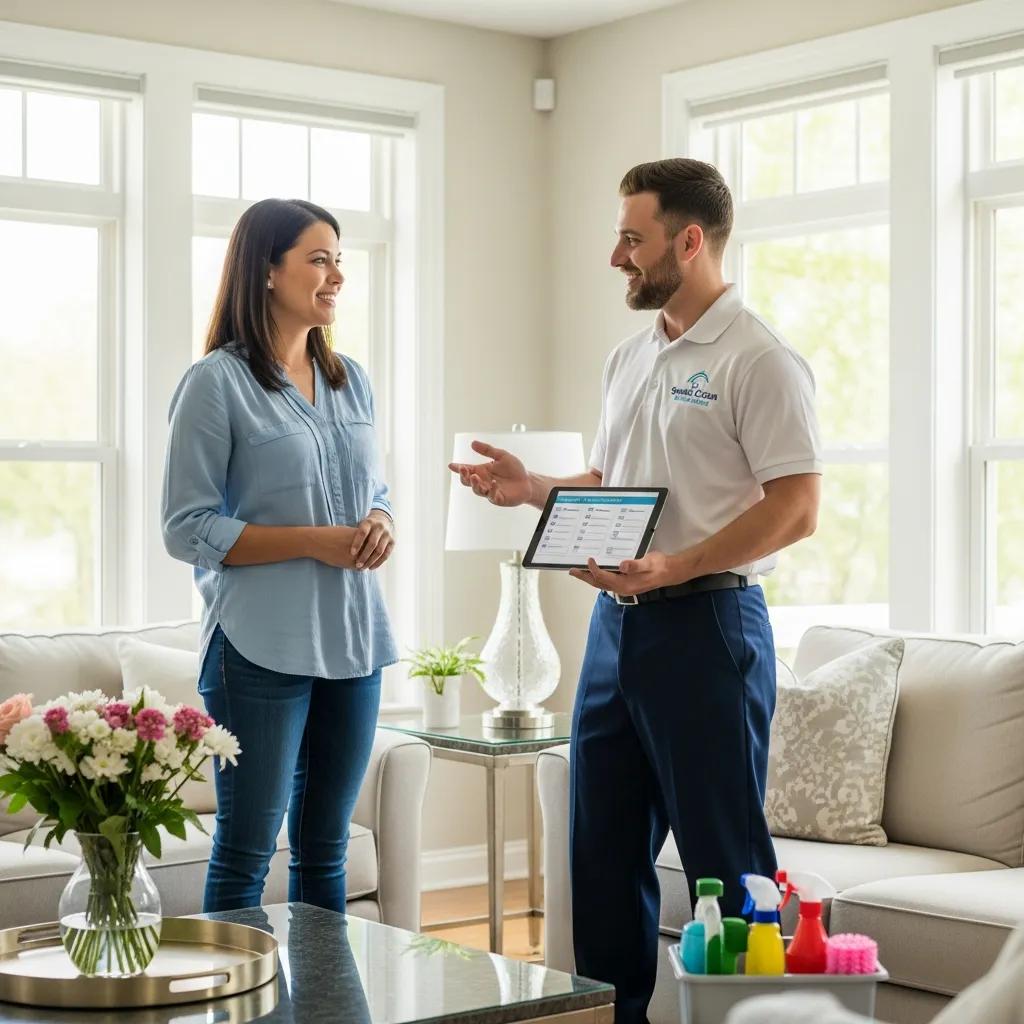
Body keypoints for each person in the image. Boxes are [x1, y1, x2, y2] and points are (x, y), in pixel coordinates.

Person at [450, 158, 821, 1024]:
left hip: (711, 627)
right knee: (603, 856)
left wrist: (676, 565)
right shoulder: (629, 357)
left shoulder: (760, 359)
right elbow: (613, 481)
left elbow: (797, 508)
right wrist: (534, 488)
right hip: (616, 633)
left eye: (631, 238)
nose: (616, 256)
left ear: (688, 242)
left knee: (726, 860)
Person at [162, 197, 397, 914]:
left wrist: (381, 520)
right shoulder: (215, 383)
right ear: (267, 271)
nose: (337, 276)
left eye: (339, 261)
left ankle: (323, 986)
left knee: (327, 849)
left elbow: (374, 488)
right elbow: (186, 528)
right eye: (319, 260)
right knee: (245, 852)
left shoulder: (351, 378)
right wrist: (313, 540)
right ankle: (236, 987)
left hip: (353, 641)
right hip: (257, 649)